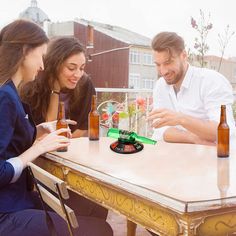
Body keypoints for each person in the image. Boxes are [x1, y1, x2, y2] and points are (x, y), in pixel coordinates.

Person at [0, 19, 113, 236]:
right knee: (102, 229)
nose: (42, 65)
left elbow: (10, 140)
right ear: (24, 52)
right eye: (40, 56)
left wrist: (39, 129)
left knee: (93, 203)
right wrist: (38, 148)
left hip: (17, 198)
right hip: (6, 211)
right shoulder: (5, 96)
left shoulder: (10, 92)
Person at [147, 31, 235, 145]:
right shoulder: (161, 85)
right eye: (158, 64)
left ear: (184, 55)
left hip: (218, 156)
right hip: (183, 156)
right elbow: (160, 130)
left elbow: (223, 130)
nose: (163, 71)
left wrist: (181, 119)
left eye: (168, 62)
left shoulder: (211, 81)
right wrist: (191, 137)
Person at [20, 36, 96, 138]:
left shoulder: (85, 84)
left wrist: (64, 146)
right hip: (40, 147)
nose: (78, 74)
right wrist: (55, 92)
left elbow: (83, 126)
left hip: (71, 145)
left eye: (82, 68)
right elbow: (47, 130)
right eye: (71, 68)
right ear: (55, 65)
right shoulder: (33, 87)